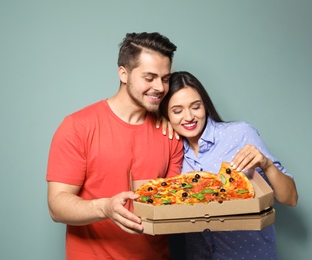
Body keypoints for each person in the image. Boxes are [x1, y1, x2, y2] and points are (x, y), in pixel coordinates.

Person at [46, 32, 183, 259]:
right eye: (149, 78)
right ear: (124, 74)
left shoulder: (170, 134)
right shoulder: (77, 127)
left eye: (165, 78)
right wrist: (105, 208)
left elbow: (171, 204)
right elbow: (56, 205)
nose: (159, 87)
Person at [159, 71, 298, 260]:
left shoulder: (239, 134)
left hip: (249, 254)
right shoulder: (172, 150)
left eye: (196, 106)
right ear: (166, 114)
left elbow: (290, 198)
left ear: (205, 106)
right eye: (177, 111)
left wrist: (266, 164)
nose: (189, 116)